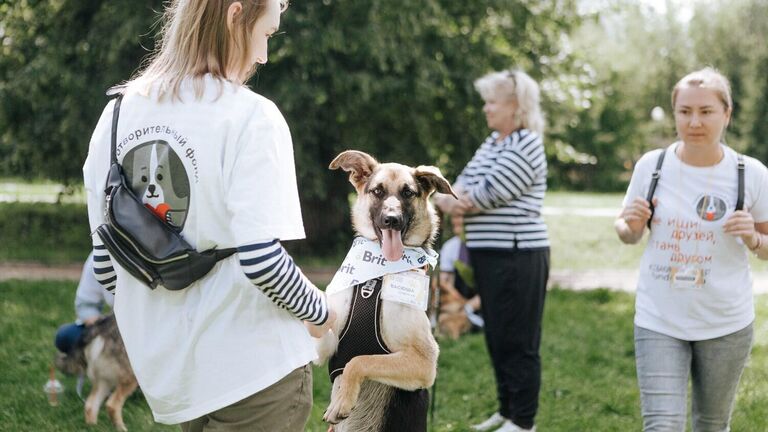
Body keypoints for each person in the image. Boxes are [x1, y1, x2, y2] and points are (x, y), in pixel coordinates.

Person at [82, 0, 335, 430]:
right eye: (267, 35)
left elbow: (108, 267)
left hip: (177, 379)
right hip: (256, 373)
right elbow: (263, 261)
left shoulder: (116, 115)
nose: (264, 56)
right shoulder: (252, 116)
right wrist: (327, 313)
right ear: (236, 15)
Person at [614, 67, 768, 431]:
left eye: (706, 111)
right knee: (662, 425)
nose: (694, 121)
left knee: (711, 425)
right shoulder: (652, 166)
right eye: (684, 111)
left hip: (726, 323)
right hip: (659, 319)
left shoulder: (752, 173)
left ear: (726, 114)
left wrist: (754, 239)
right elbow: (626, 232)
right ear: (675, 113)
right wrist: (630, 226)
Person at [435, 68, 549, 432]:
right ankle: (507, 409)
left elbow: (483, 195)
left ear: (516, 105)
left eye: (492, 101)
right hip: (487, 254)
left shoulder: (526, 143)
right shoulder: (493, 143)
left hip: (517, 255)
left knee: (518, 339)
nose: (485, 108)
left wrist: (456, 201)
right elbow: (461, 188)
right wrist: (456, 199)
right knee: (498, 335)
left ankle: (524, 421)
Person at [54, 252, 114, 355]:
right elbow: (86, 305)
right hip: (114, 329)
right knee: (65, 336)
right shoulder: (99, 256)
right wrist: (104, 330)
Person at [437, 213, 483, 339]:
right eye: (455, 221)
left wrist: (467, 307)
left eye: (460, 222)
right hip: (459, 298)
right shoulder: (450, 247)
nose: (457, 225)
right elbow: (445, 281)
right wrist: (456, 300)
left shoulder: (482, 245)